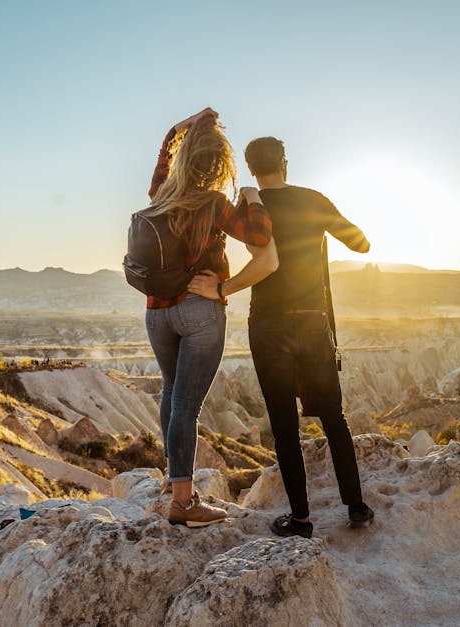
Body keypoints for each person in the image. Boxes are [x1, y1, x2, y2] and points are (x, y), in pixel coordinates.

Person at [190, 136, 373, 538]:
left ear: (252, 170)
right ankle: (357, 507)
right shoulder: (314, 200)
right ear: (285, 163)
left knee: (284, 426)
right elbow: (361, 243)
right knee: (334, 418)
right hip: (312, 322)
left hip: (269, 326)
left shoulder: (251, 210)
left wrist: (220, 289)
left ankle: (302, 520)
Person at [145, 108, 278, 527]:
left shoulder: (161, 192)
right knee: (186, 405)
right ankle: (184, 505)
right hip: (200, 311)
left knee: (171, 393)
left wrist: (189, 124)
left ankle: (173, 482)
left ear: (184, 158)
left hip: (156, 313)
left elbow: (167, 145)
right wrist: (253, 197)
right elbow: (259, 237)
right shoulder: (214, 203)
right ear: (219, 163)